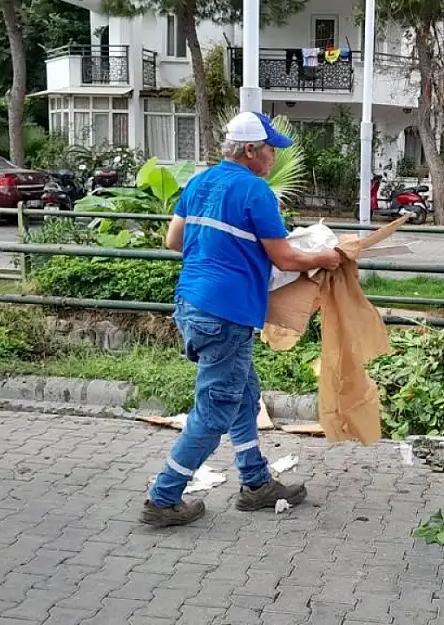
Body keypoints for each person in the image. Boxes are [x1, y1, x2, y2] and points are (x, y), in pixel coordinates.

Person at [140, 111, 342, 527]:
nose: (273, 158)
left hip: (192, 305)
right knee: (214, 411)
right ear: (251, 150)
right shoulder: (254, 191)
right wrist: (325, 257)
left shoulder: (198, 182)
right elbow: (285, 257)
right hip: (227, 313)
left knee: (245, 394)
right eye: (270, 150)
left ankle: (255, 483)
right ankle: (162, 499)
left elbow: (173, 240)